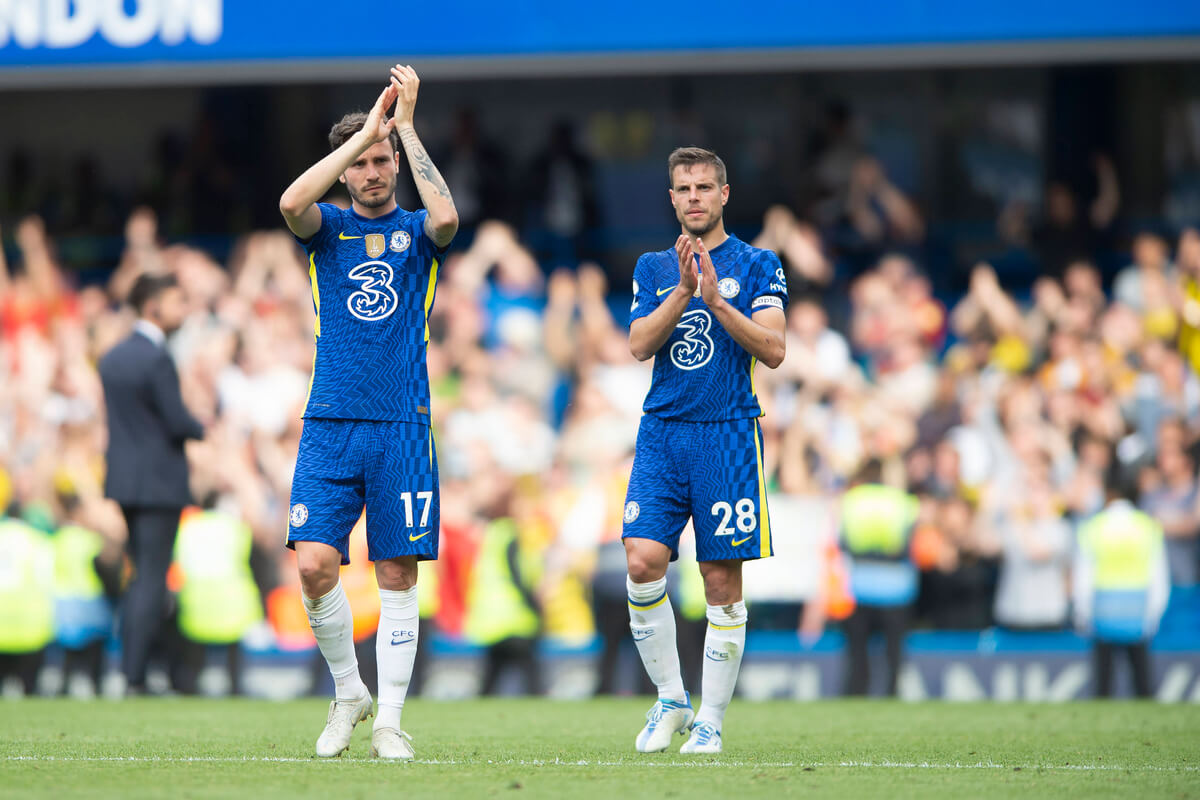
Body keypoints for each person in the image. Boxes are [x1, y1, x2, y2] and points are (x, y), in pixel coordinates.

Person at [278, 64, 458, 761]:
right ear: (348, 171)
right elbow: (293, 200)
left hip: (403, 424)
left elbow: (447, 217)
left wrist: (404, 128)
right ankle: (349, 691)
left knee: (396, 575)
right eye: (365, 162)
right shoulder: (327, 231)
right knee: (315, 565)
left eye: (382, 161)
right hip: (329, 422)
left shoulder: (417, 231)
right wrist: (358, 138)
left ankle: (390, 721)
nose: (375, 172)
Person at [622, 146, 787, 754]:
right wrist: (684, 292)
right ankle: (671, 699)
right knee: (641, 560)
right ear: (672, 199)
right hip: (663, 433)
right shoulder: (652, 266)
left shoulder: (759, 263)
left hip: (728, 432)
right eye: (682, 189)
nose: (693, 197)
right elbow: (639, 343)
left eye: (703, 187)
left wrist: (717, 300)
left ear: (724, 194)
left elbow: (774, 349)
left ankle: (711, 720)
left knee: (721, 581)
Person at [98, 272, 205, 695]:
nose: (183, 310)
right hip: (159, 483)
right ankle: (134, 675)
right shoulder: (157, 357)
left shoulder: (113, 356)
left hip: (124, 481)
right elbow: (176, 420)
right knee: (152, 578)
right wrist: (202, 426)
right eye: (176, 302)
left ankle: (136, 667)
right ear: (152, 306)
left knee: (141, 574)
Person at [1075, 472, 1170, 698]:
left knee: (1103, 684)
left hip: (1102, 610)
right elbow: (1159, 576)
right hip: (1138, 610)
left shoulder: (1093, 527)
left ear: (1107, 494)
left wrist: (1082, 612)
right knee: (1142, 681)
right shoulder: (1148, 526)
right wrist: (1154, 613)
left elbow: (1084, 576)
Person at [838, 461, 919, 696]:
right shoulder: (902, 502)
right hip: (897, 588)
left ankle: (855, 698)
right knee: (893, 656)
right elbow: (908, 545)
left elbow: (843, 543)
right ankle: (892, 696)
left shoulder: (850, 501)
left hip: (858, 586)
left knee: (857, 656)